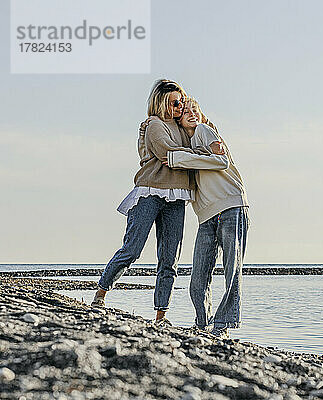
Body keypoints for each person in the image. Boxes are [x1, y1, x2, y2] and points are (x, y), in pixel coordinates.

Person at [91, 79, 201, 324]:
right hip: (149, 192)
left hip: (176, 196)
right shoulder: (154, 125)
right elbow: (167, 153)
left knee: (169, 259)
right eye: (175, 102)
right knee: (131, 250)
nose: (180, 106)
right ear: (162, 102)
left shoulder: (184, 127)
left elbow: (200, 139)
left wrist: (195, 118)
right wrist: (193, 155)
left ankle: (161, 315)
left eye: (182, 101)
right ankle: (101, 293)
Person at [165, 98, 249, 338]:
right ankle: (203, 324)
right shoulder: (190, 144)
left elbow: (221, 160)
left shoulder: (204, 130)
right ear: (178, 119)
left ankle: (222, 325)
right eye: (186, 111)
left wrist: (177, 158)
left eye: (196, 110)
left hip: (231, 206)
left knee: (232, 270)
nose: (192, 114)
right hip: (206, 215)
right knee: (198, 277)